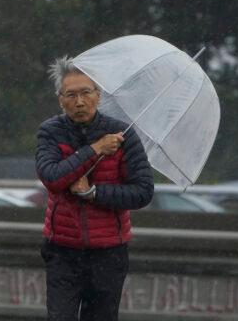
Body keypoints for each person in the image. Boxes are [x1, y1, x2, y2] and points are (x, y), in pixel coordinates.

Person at [35, 56, 154, 321]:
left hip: (108, 251)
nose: (79, 102)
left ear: (98, 95)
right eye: (71, 95)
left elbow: (143, 191)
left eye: (86, 93)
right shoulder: (51, 132)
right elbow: (52, 178)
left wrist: (94, 193)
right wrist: (95, 149)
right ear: (60, 99)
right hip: (62, 249)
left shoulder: (123, 134)